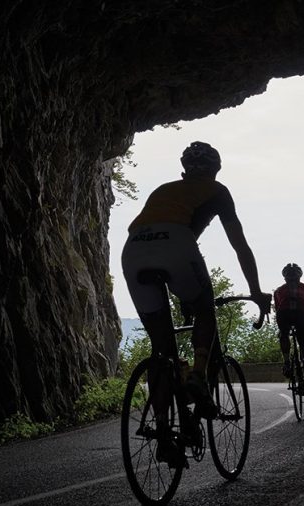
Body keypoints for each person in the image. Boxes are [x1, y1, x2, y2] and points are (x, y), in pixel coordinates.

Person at [121, 141, 272, 465]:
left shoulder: (166, 189)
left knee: (162, 352)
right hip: (176, 245)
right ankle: (199, 376)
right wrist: (256, 291)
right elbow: (240, 246)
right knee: (205, 308)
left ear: (184, 169)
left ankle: (163, 435)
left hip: (133, 250)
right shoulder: (216, 191)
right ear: (215, 170)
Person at [273, 263, 304, 408]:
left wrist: (282, 331)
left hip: (285, 316)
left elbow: (278, 310)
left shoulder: (278, 291)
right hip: (302, 317)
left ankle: (287, 361)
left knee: (284, 334)